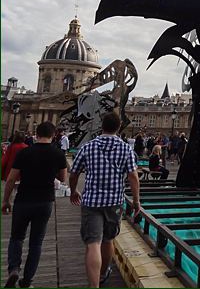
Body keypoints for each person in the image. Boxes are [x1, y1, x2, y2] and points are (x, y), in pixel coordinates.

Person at [69, 112, 141, 287]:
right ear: (118, 128)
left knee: (93, 244)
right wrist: (136, 201)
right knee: (108, 240)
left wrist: (73, 190)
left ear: (102, 126)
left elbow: (74, 172)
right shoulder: (126, 149)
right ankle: (103, 273)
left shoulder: (88, 147)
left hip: (91, 201)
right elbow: (133, 176)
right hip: (114, 202)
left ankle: (94, 285)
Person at [2, 122, 67, 288]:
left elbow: (10, 179)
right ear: (53, 136)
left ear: (36, 134)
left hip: (23, 200)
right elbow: (63, 179)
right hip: (45, 201)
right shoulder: (58, 154)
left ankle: (14, 269)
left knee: (16, 238)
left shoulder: (25, 152)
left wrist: (5, 200)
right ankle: (27, 281)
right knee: (36, 243)